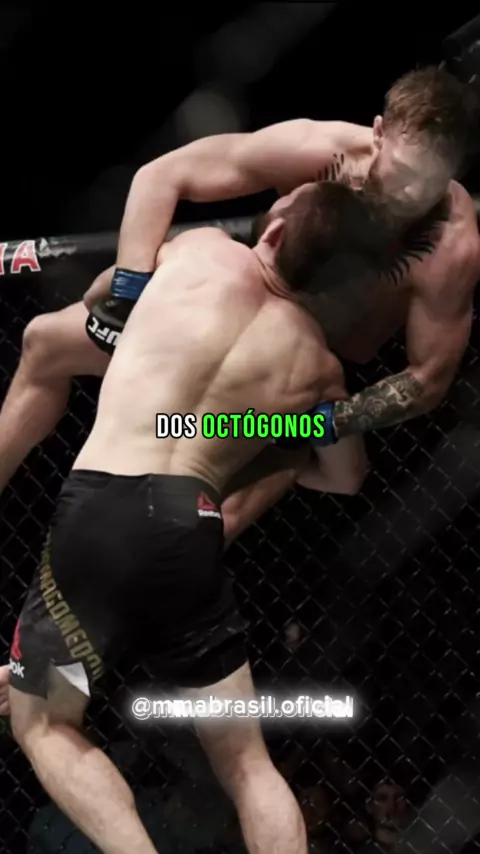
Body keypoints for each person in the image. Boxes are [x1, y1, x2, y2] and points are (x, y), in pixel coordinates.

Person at [7, 180, 388, 854]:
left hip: (105, 505)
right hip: (192, 527)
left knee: (43, 720)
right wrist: (249, 427)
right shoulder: (319, 369)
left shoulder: (200, 251)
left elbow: (102, 296)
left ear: (275, 232)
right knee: (246, 765)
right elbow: (344, 476)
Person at [0, 68, 478, 499]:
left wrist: (322, 423)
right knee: (44, 341)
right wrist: (128, 295)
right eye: (406, 171)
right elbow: (162, 175)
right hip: (220, 319)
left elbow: (429, 376)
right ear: (377, 134)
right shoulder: (319, 149)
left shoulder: (452, 246)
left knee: (234, 492)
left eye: (433, 181)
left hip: (293, 381)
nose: (413, 192)